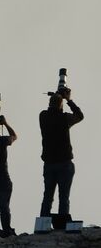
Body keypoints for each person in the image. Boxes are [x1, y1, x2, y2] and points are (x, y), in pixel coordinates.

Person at [39, 89, 83, 217]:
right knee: (64, 197)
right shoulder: (65, 118)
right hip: (64, 163)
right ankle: (62, 224)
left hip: (49, 164)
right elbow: (80, 116)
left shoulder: (43, 116)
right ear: (61, 105)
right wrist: (68, 99)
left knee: (47, 196)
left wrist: (57, 97)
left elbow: (51, 110)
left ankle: (43, 223)